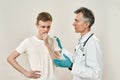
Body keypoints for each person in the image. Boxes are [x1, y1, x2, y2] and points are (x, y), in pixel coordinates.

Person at [7, 12, 61, 80]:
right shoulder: (28, 42)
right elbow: (10, 58)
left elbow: (58, 63)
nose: (46, 30)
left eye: (48, 27)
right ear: (37, 25)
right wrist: (25, 72)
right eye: (43, 27)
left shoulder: (53, 41)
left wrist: (47, 44)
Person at [53, 7, 103, 80]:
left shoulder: (93, 43)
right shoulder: (82, 40)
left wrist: (72, 66)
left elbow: (96, 74)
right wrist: (61, 50)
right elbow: (77, 60)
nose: (73, 24)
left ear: (86, 24)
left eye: (77, 21)